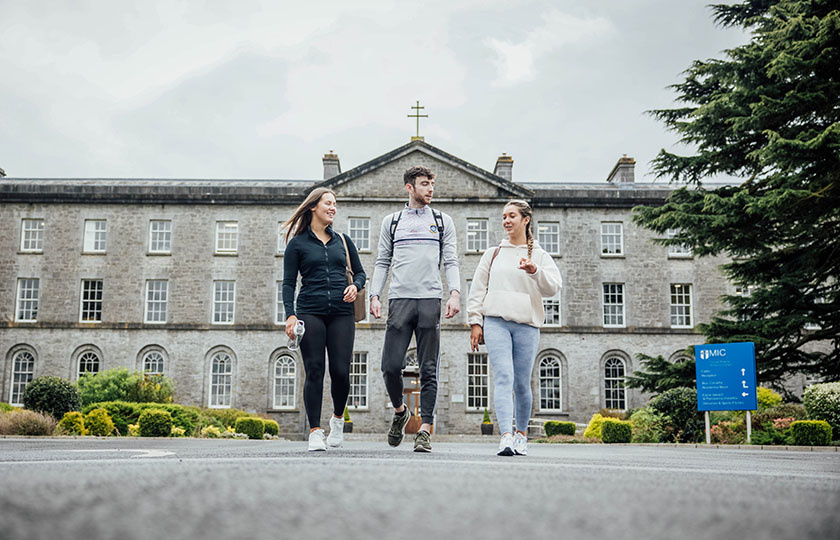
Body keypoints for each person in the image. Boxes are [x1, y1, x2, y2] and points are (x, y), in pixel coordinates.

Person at [369, 166, 460, 452]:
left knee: (429, 368)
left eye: (432, 183)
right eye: (424, 184)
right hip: (400, 300)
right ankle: (400, 413)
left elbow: (451, 261)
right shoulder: (392, 222)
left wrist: (454, 293)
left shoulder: (443, 221)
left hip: (430, 300)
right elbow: (382, 261)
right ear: (409, 188)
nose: (430, 189)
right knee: (390, 366)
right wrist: (374, 295)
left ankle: (424, 430)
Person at [466, 200, 562, 456]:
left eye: (512, 216)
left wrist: (534, 271)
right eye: (504, 217)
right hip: (495, 321)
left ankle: (521, 435)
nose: (506, 221)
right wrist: (476, 321)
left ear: (525, 219)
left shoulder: (539, 255)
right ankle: (505, 436)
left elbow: (553, 287)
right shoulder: (493, 253)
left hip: (527, 325)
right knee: (503, 377)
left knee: (521, 383)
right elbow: (477, 289)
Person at [282, 187, 366, 452]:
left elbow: (361, 273)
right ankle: (315, 431)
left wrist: (356, 287)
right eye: (328, 203)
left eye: (335, 204)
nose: (333, 207)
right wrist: (290, 315)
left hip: (342, 313)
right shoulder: (297, 244)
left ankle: (338, 419)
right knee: (315, 369)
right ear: (313, 207)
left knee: (340, 372)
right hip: (310, 311)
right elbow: (287, 284)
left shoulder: (343, 240)